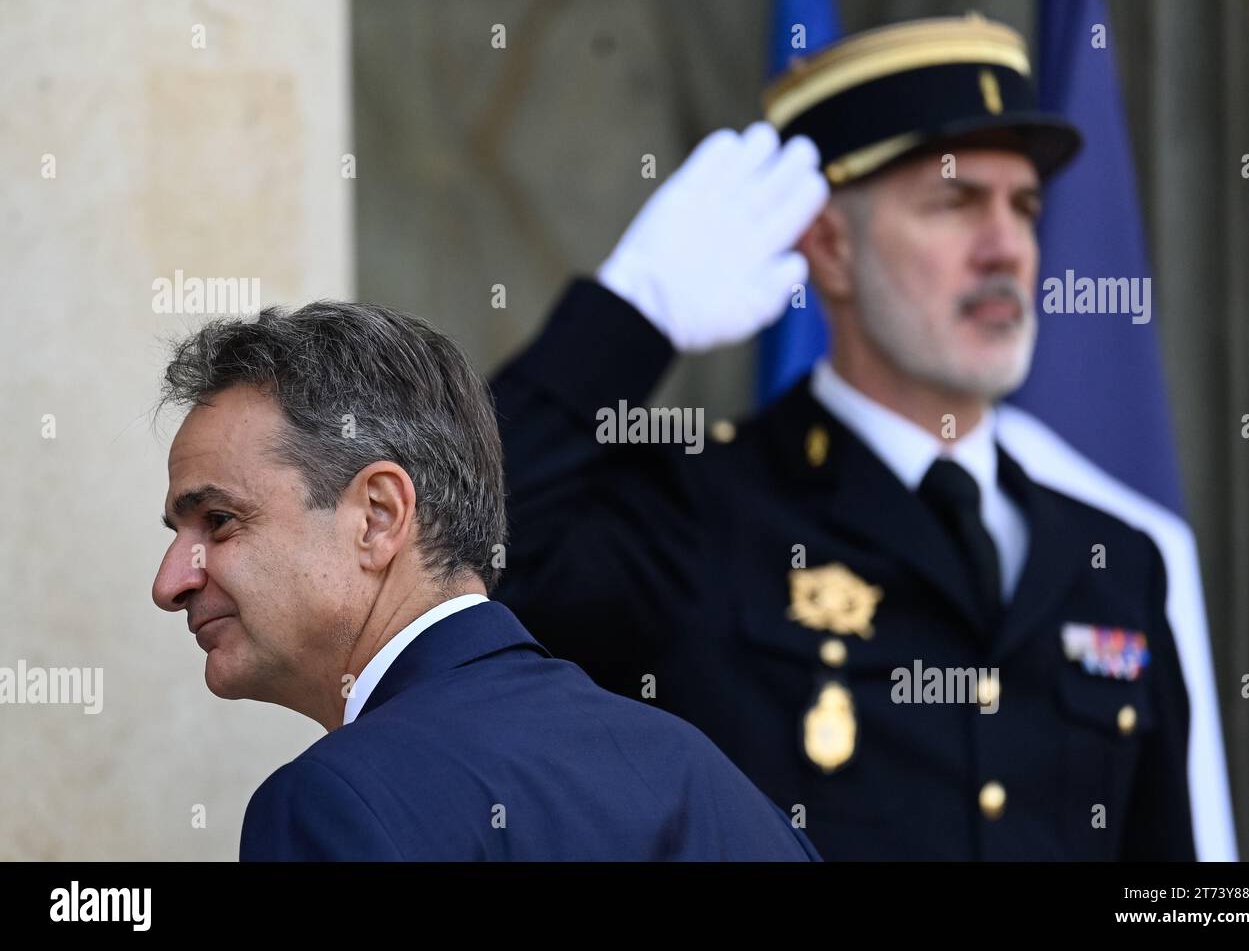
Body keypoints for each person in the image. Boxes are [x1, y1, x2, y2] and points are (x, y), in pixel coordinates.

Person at [492, 14, 1195, 860]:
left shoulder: (1114, 561)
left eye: (1026, 207)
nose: (1006, 248)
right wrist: (630, 317)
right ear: (828, 246)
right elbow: (459, 554)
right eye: (955, 201)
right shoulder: (703, 510)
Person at [150, 299, 819, 861]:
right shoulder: (704, 777)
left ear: (378, 518)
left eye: (219, 520)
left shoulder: (335, 801)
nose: (171, 581)